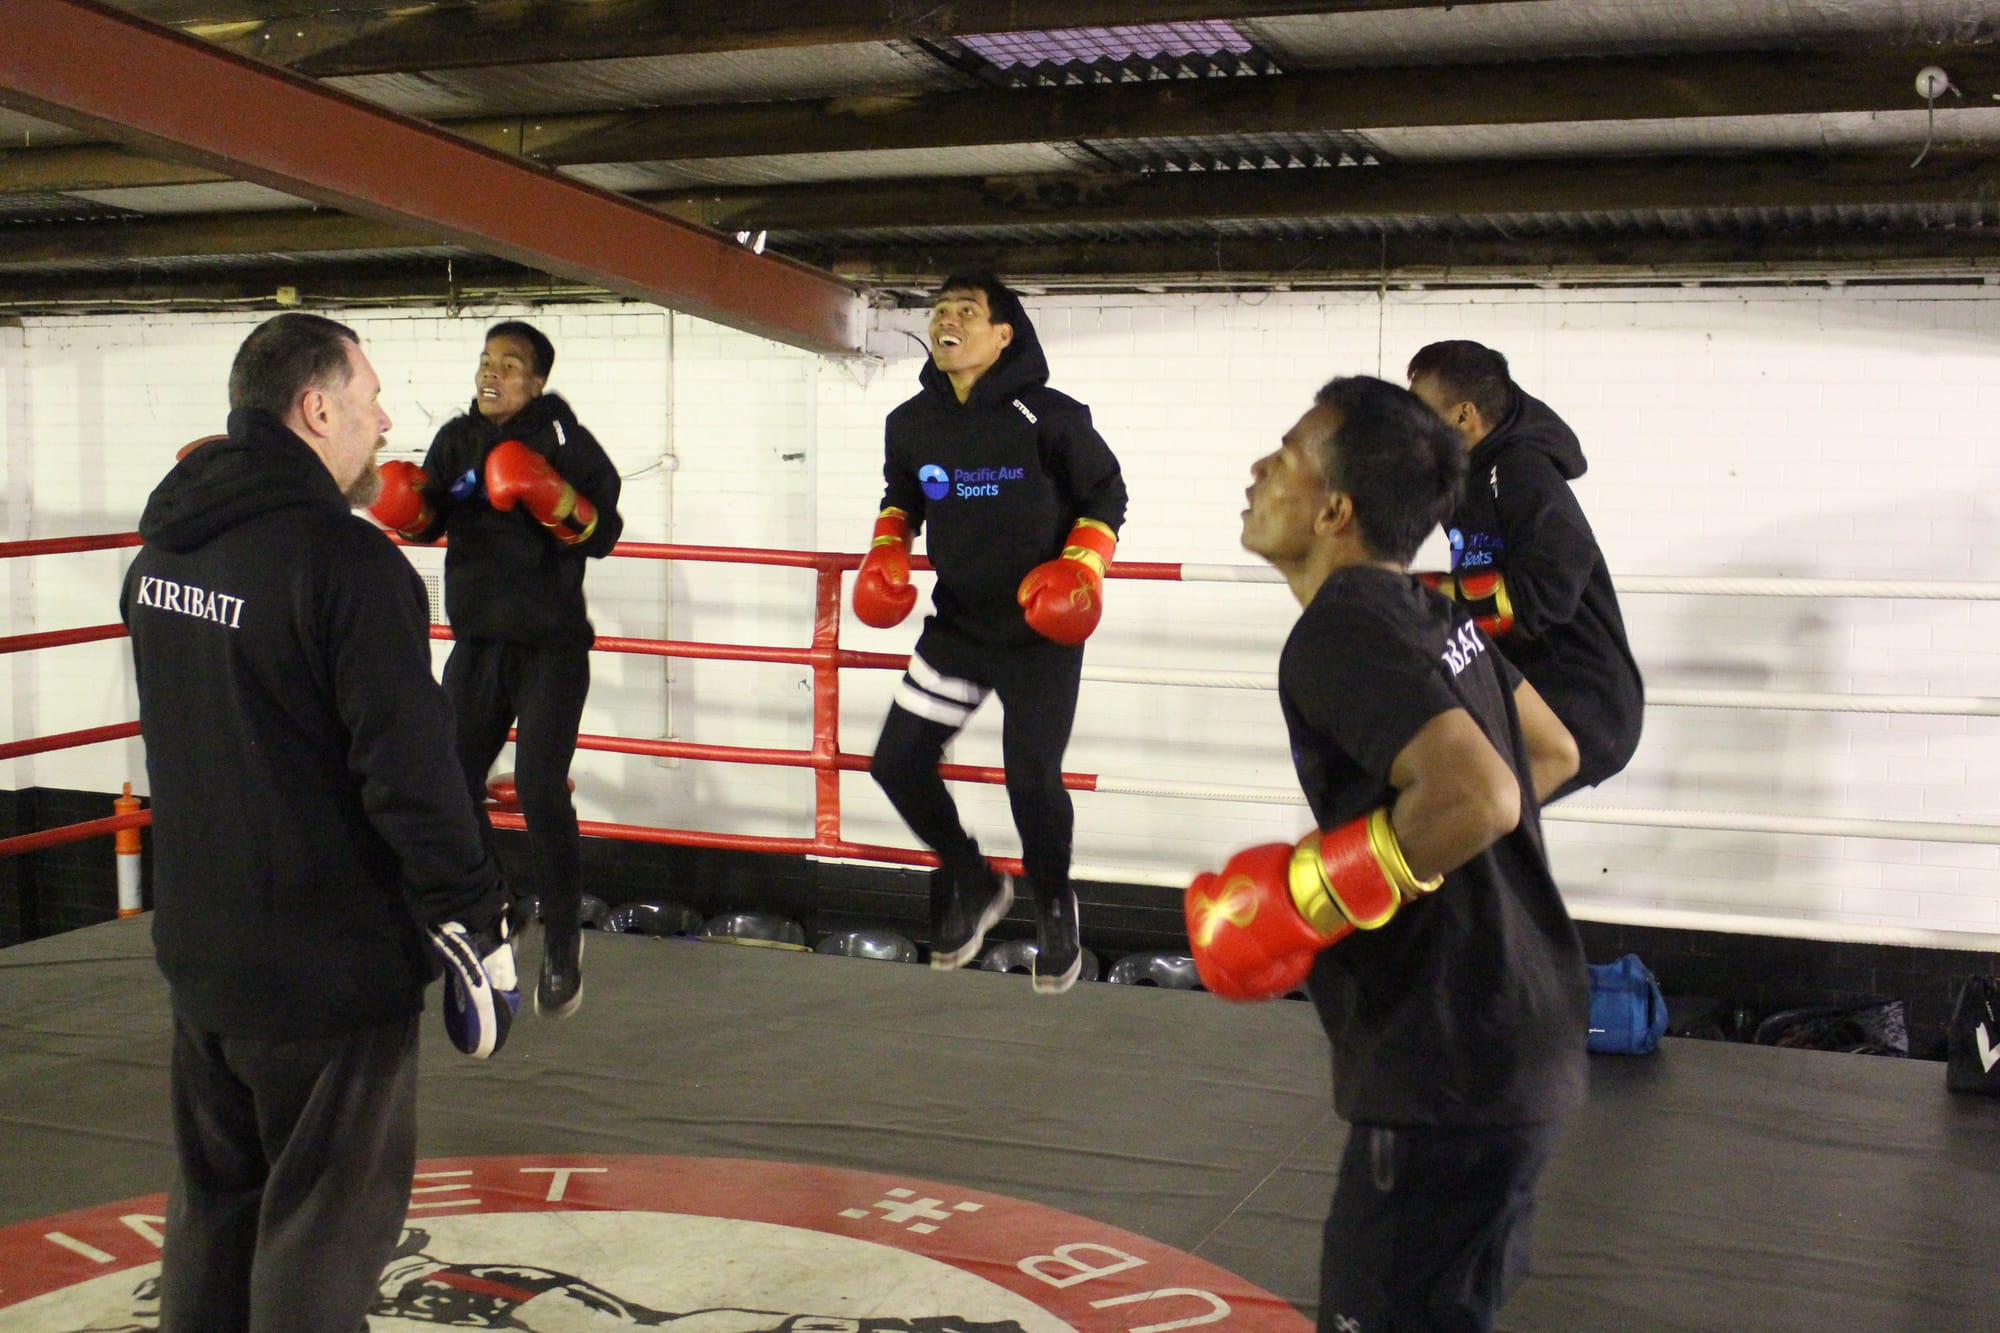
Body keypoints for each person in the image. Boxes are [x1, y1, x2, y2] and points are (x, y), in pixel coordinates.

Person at [121, 313, 512, 1332]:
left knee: (217, 1210)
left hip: (203, 953)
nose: (385, 420)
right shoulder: (345, 564)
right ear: (316, 406)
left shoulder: (160, 554)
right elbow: (411, 774)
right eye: (370, 395)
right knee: (322, 1230)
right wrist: (474, 914)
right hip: (327, 964)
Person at [1184, 376, 1589, 1331]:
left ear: (1333, 509)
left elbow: (1483, 791)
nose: (1256, 471)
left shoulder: (1343, 625)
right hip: (1516, 1034)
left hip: (1447, 1055)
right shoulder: (1429, 610)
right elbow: (1550, 750)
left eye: (1282, 456)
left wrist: (1311, 896)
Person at [853, 274, 1127, 994]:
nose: (946, 321)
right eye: (940, 311)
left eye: (965, 312)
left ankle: (1054, 905)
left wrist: (1081, 566)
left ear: (1003, 334)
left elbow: (1107, 492)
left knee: (1030, 777)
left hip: (1041, 631)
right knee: (895, 762)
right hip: (960, 627)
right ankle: (974, 881)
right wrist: (887, 545)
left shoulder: (1051, 415)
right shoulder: (910, 422)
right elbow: (902, 493)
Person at [371, 320, 624, 1017]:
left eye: (509, 364)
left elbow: (604, 535)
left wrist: (551, 495)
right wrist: (409, 506)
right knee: (448, 783)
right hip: (478, 645)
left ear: (536, 380)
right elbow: (426, 522)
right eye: (486, 361)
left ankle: (566, 937)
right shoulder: (455, 438)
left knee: (541, 787)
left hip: (551, 648)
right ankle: (503, 902)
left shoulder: (565, 440)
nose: (492, 373)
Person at [1405, 340, 1643, 797]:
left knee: (1461, 820)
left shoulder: (1520, 471)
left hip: (1579, 704)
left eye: (1420, 412)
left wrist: (1419, 597)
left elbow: (1549, 588)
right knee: (1447, 816)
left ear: (1463, 415)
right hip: (1532, 690)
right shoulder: (1465, 480)